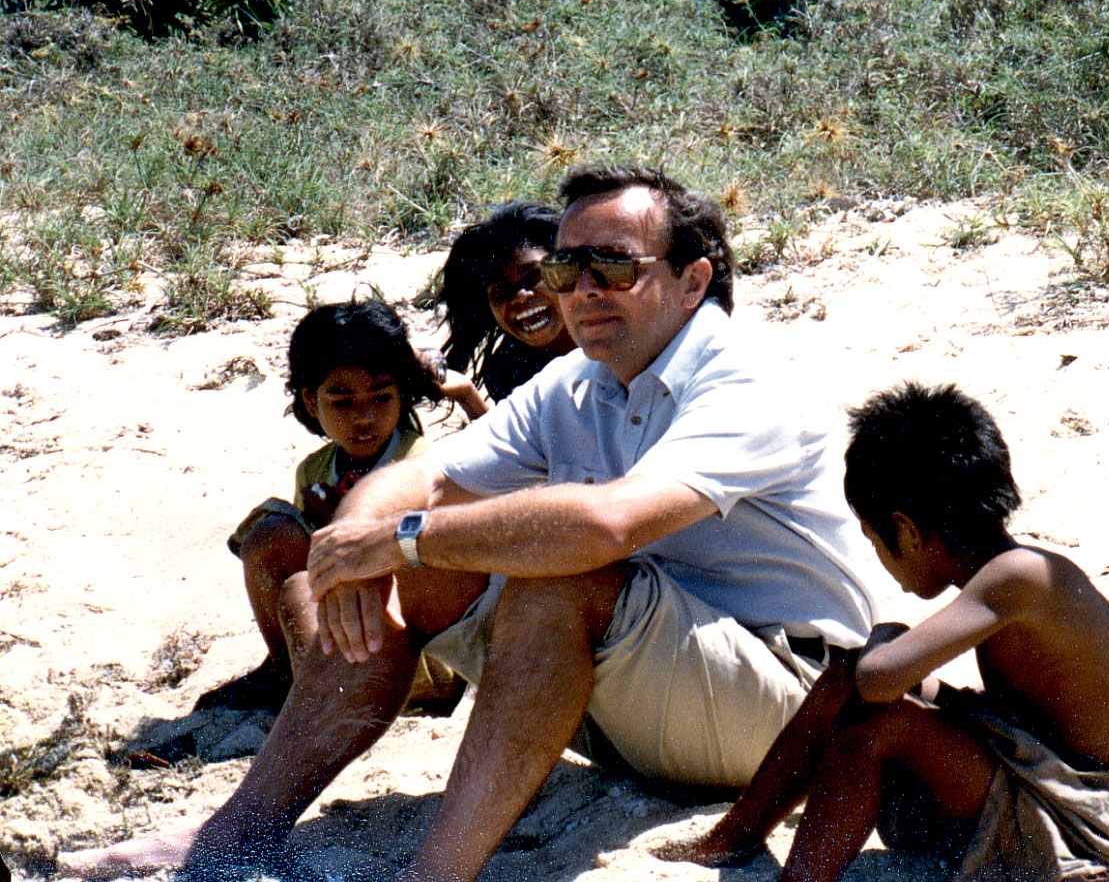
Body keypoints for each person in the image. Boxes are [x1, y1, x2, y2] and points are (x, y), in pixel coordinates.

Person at [60, 163, 878, 881]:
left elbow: (607, 526)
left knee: (555, 577)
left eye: (613, 265)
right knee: (413, 562)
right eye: (568, 264)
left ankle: (436, 874)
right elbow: (426, 475)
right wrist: (360, 548)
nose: (582, 288)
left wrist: (402, 535)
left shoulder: (745, 382)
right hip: (646, 707)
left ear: (693, 281)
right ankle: (236, 834)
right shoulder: (582, 382)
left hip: (789, 710)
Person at [665, 383, 1109, 882]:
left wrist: (885, 633)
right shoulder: (1009, 571)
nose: (882, 557)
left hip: (1104, 815)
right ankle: (735, 835)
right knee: (843, 679)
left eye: (876, 539)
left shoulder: (1017, 577)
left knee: (874, 721)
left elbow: (879, 681)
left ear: (909, 530)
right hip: (1046, 766)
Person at [194, 298, 444, 714]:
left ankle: (317, 692)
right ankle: (284, 670)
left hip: (412, 647)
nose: (363, 417)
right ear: (312, 403)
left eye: (381, 398)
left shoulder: (417, 463)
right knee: (272, 530)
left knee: (305, 578)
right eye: (342, 402)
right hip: (343, 628)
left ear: (402, 394)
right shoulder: (315, 470)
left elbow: (418, 572)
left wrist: (338, 522)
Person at [422, 200, 577, 419]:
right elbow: (520, 447)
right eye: (501, 290)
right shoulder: (510, 371)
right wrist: (467, 395)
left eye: (534, 276)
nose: (521, 296)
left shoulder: (615, 343)